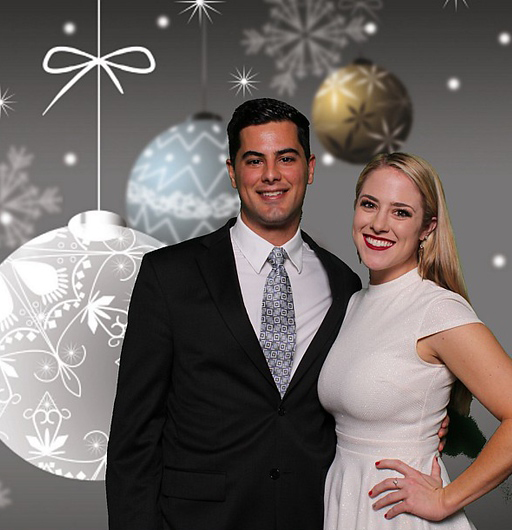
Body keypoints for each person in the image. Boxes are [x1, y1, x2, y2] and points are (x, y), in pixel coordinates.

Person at [106, 98, 366, 530]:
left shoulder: (345, 285)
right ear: (232, 172)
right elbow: (134, 436)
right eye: (254, 160)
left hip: (314, 516)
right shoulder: (168, 276)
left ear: (310, 168)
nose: (271, 175)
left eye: (286, 158)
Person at [318, 152, 512, 529]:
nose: (378, 224)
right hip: (347, 502)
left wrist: (445, 499)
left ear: (427, 228)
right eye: (369, 204)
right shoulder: (354, 303)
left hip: (398, 515)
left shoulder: (437, 309)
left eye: (400, 212)